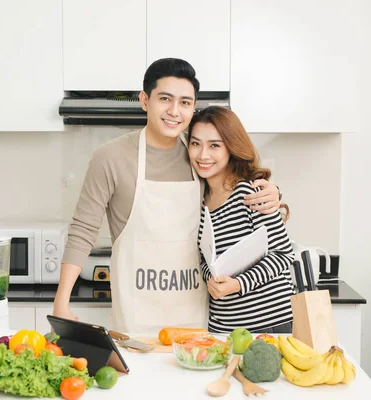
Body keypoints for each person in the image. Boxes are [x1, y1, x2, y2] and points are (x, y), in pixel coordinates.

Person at [53, 58, 281, 333]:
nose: (175, 111)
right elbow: (83, 230)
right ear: (145, 100)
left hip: (196, 315)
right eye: (165, 99)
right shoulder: (110, 158)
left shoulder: (197, 156)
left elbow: (233, 184)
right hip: (137, 315)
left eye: (185, 102)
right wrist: (61, 303)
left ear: (193, 107)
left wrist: (272, 190)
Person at [188, 105, 295, 334]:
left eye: (214, 145)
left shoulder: (251, 193)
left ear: (231, 148)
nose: (202, 155)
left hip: (270, 325)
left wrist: (237, 284)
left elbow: (283, 255)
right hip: (223, 328)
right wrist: (212, 279)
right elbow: (206, 260)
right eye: (195, 143)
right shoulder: (197, 199)